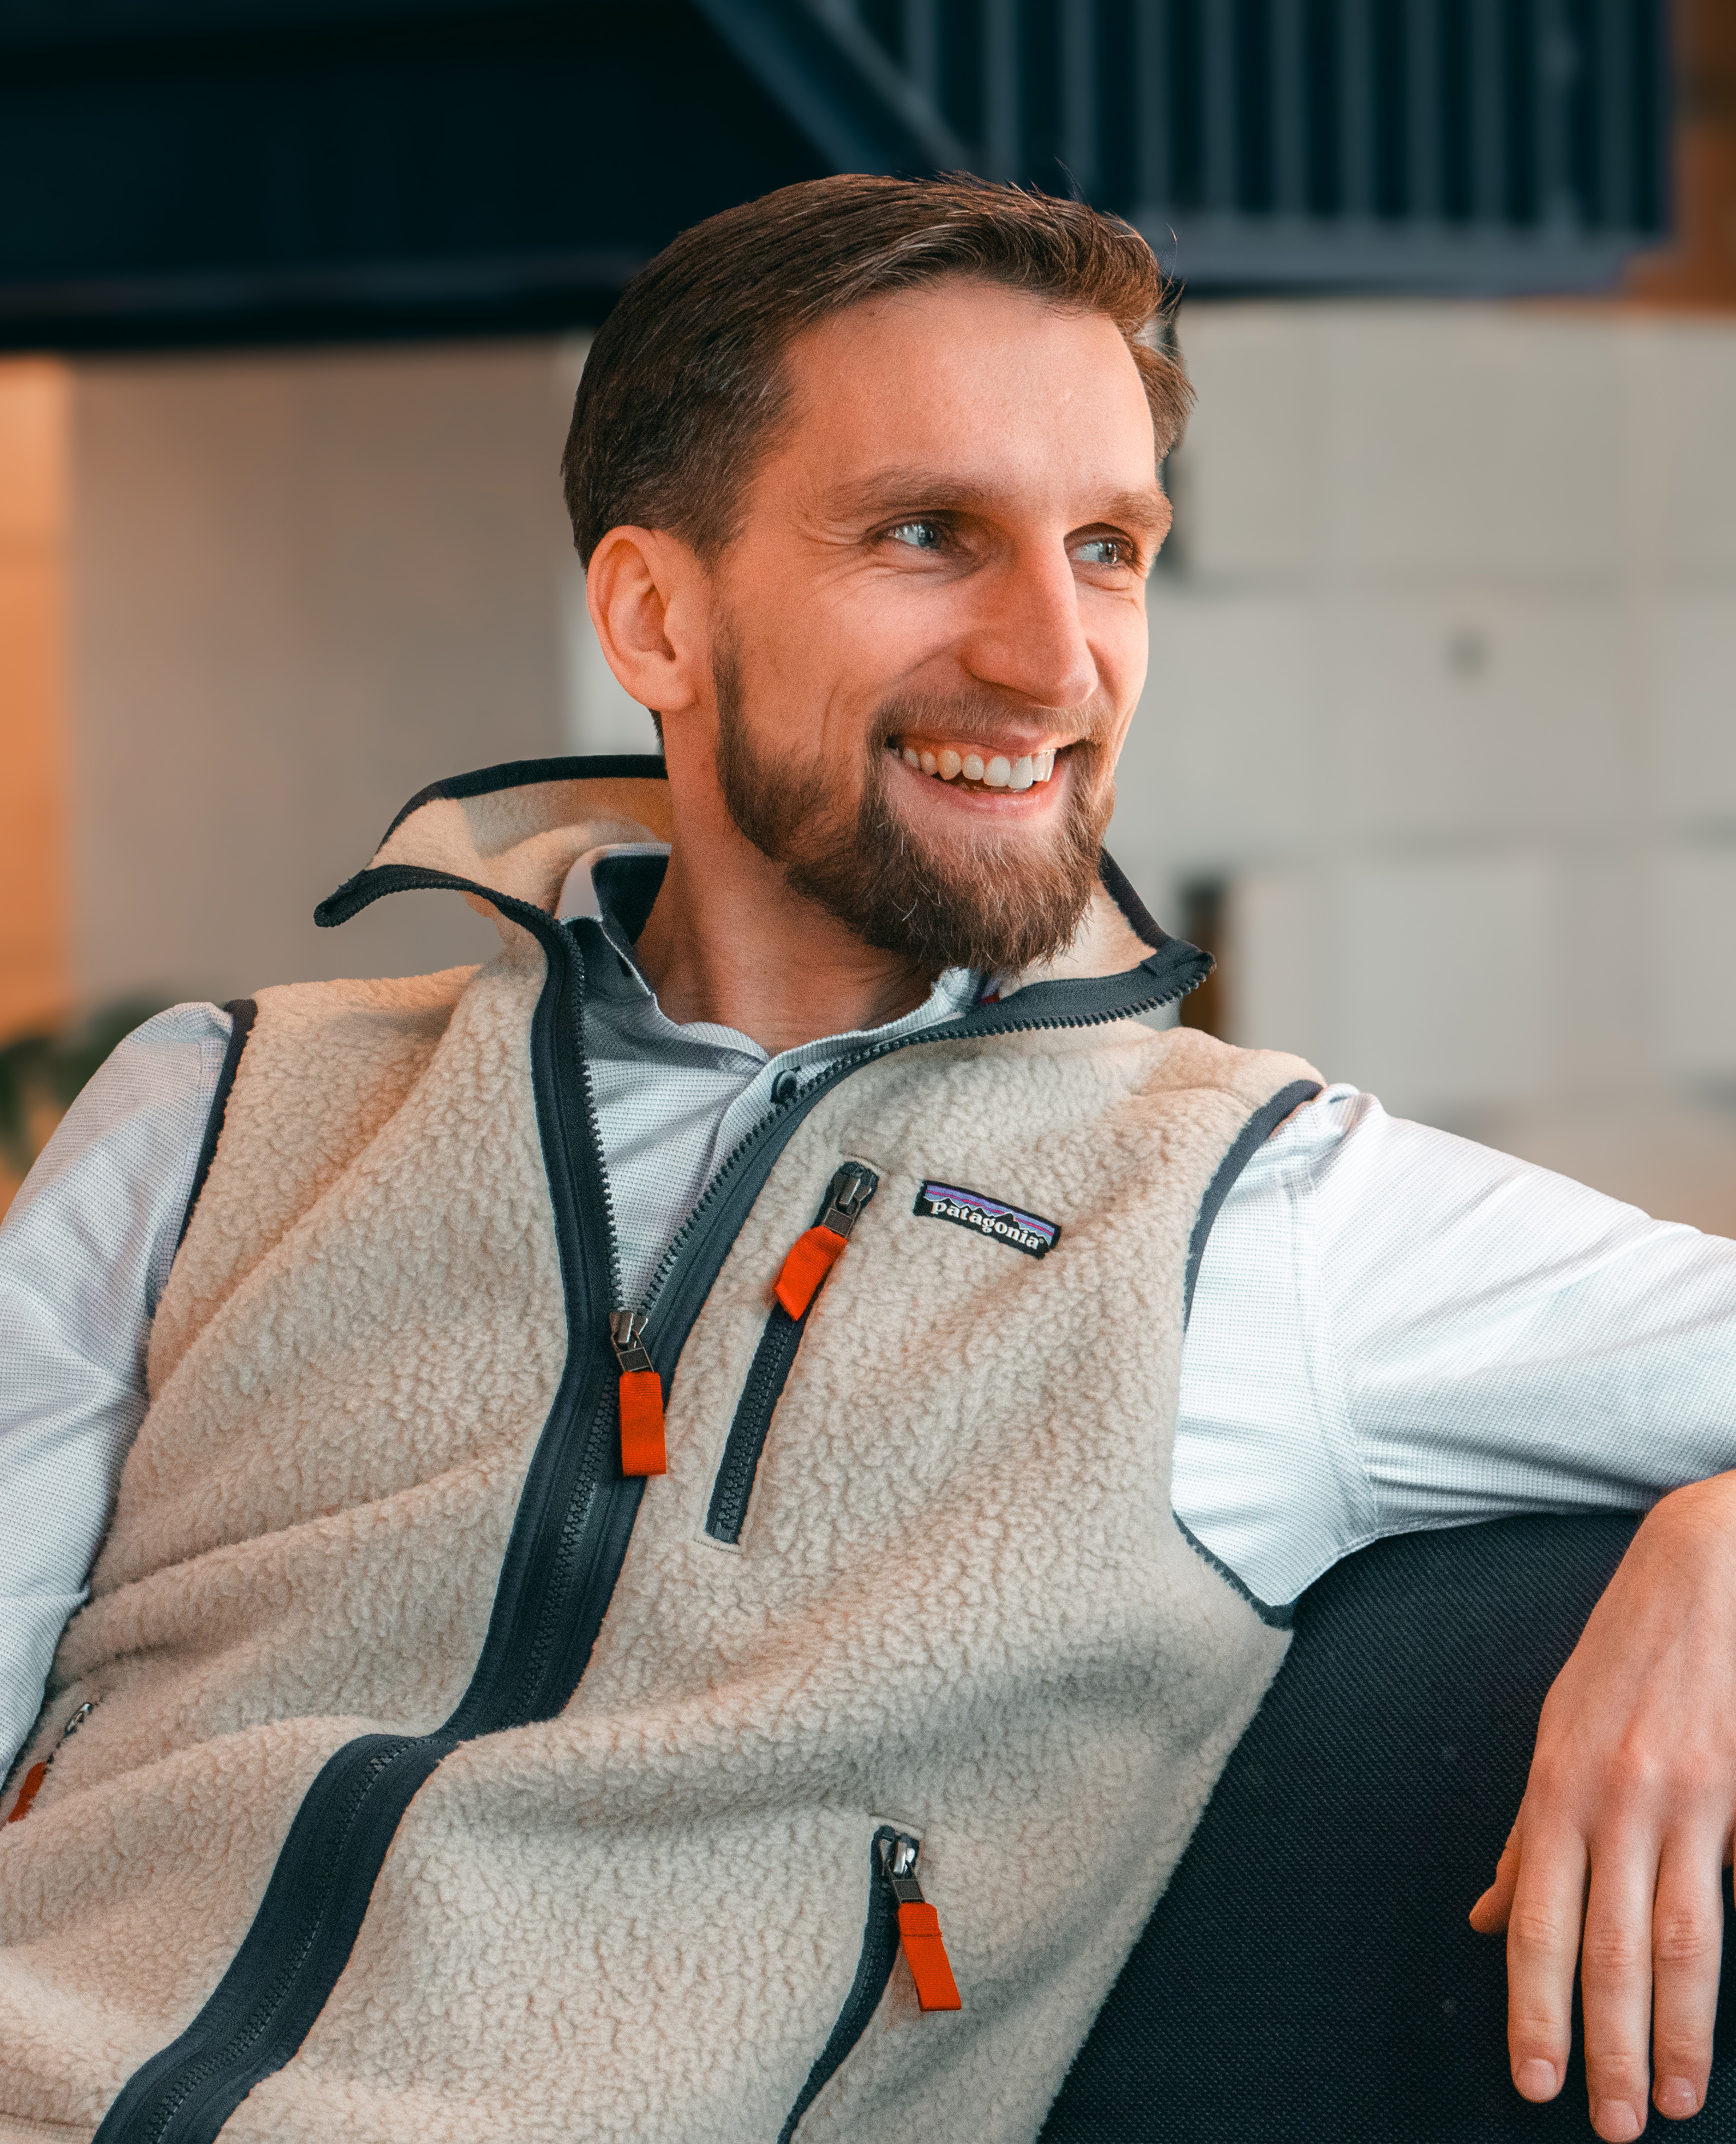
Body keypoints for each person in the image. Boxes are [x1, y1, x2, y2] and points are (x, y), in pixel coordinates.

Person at [2, 176, 1735, 2144]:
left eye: (1108, 548)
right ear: (655, 615)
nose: (1053, 658)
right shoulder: (217, 1112)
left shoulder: (1258, 1218)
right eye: (928, 534)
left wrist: (1719, 1553)